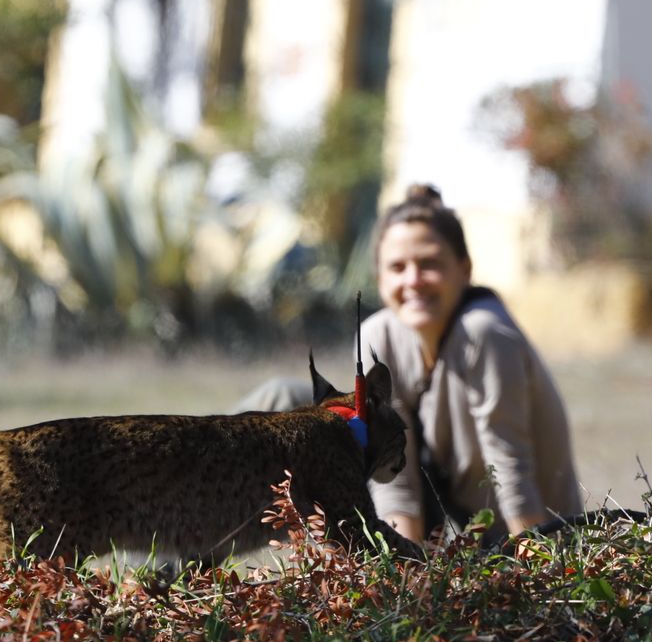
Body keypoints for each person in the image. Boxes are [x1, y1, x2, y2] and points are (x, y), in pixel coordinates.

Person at [235, 183, 580, 544]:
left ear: (464, 269)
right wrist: (408, 580)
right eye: (398, 267)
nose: (413, 280)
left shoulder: (485, 333)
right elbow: (394, 480)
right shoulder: (377, 336)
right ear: (380, 278)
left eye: (429, 264)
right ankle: (183, 548)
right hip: (445, 541)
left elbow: (511, 471)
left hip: (519, 540)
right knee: (282, 401)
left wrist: (539, 575)